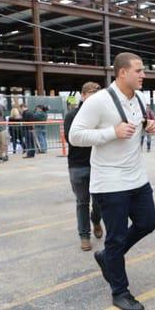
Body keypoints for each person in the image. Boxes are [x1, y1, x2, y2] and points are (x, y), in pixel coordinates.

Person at [69, 52, 155, 310]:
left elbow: (139, 124)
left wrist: (148, 125)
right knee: (116, 238)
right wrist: (112, 132)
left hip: (137, 178)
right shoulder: (99, 101)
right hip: (110, 183)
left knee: (147, 223)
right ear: (122, 73)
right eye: (139, 70)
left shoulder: (140, 97)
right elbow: (75, 135)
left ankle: (108, 257)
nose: (144, 75)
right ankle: (120, 292)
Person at [64, 82, 104, 251]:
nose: (93, 98)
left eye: (97, 94)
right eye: (90, 94)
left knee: (99, 202)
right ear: (83, 95)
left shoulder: (101, 115)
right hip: (77, 165)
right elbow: (71, 138)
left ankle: (95, 220)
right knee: (82, 202)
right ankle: (84, 235)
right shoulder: (72, 115)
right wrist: (95, 136)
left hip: (99, 164)